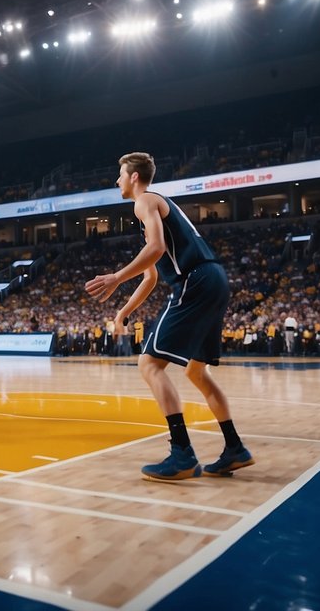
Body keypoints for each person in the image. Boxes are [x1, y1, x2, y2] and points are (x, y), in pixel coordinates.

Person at [84, 152, 253, 481]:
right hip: (215, 280)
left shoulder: (144, 200)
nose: (117, 181)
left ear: (134, 177)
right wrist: (123, 312)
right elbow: (151, 277)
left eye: (120, 174)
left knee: (149, 364)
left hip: (196, 280)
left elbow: (158, 248)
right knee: (196, 373)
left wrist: (116, 277)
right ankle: (234, 448)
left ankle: (182, 454)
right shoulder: (155, 210)